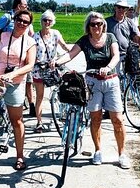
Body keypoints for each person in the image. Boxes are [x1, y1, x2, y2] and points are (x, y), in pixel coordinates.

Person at [56, 12, 131, 169]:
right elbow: (70, 54)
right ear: (88, 27)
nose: (96, 27)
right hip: (92, 83)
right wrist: (56, 62)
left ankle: (122, 153)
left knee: (117, 119)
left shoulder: (110, 37)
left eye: (99, 23)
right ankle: (98, 151)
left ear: (103, 25)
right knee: (95, 118)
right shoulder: (84, 41)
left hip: (111, 82)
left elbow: (116, 56)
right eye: (93, 24)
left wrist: (108, 67)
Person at [0, 9, 37, 171]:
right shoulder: (4, 36)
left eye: (25, 22)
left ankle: (20, 156)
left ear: (28, 25)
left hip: (15, 82)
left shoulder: (30, 42)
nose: (21, 23)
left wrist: (12, 74)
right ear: (15, 19)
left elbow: (29, 65)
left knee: (16, 120)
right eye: (19, 19)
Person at [0, 0, 37, 117]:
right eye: (25, 5)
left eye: (25, 22)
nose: (22, 23)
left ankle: (31, 105)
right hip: (5, 55)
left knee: (28, 81)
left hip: (22, 56)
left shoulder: (27, 18)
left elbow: (31, 34)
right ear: (18, 6)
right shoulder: (7, 17)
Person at [32, 9, 69, 133]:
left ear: (52, 22)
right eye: (44, 20)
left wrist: (70, 53)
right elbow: (30, 51)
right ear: (41, 21)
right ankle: (39, 122)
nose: (47, 22)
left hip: (52, 68)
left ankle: (61, 113)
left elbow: (63, 45)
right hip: (39, 69)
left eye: (49, 20)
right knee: (40, 97)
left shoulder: (55, 34)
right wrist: (35, 60)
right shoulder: (35, 36)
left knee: (61, 91)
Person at [106, 0, 140, 72]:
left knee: (131, 74)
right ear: (115, 8)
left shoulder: (129, 22)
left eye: (123, 8)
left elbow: (138, 36)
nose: (121, 10)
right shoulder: (107, 22)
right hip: (111, 55)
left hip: (126, 54)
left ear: (126, 10)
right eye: (119, 7)